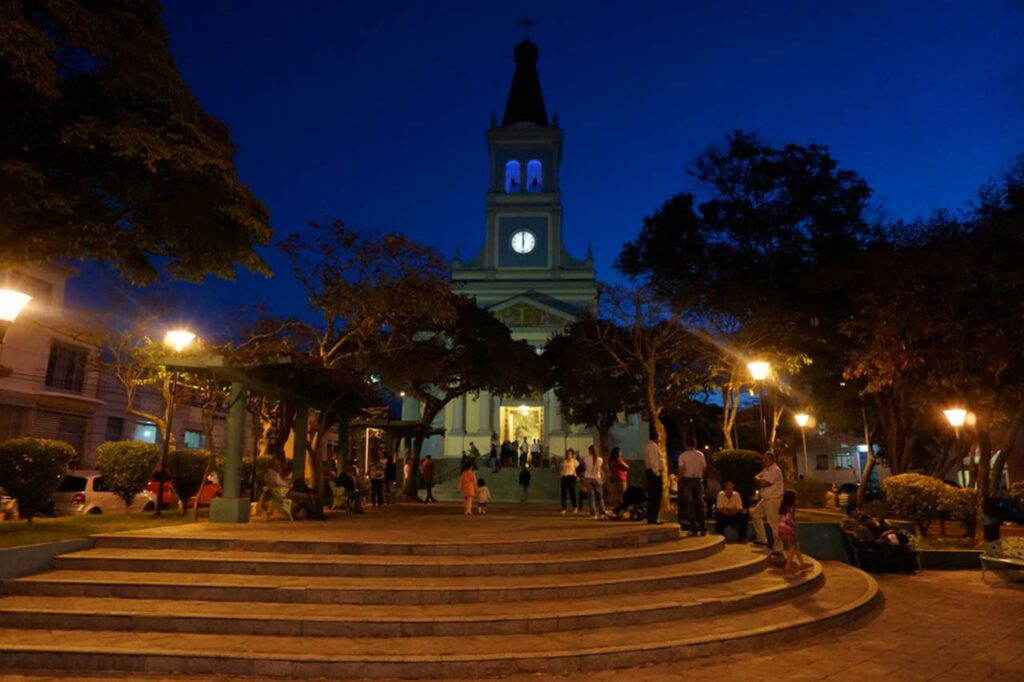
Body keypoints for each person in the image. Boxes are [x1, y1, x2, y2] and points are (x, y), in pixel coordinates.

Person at [750, 451, 785, 553]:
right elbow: (756, 478)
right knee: (755, 514)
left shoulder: (775, 470)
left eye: (767, 459)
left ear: (772, 459)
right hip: (765, 499)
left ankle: (778, 548)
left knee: (774, 524)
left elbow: (764, 483)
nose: (765, 461)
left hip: (773, 500)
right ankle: (762, 539)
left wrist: (761, 480)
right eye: (764, 459)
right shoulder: (766, 469)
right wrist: (759, 480)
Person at [677, 437, 707, 536]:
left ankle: (694, 529)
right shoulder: (700, 455)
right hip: (698, 480)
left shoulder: (683, 456)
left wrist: (680, 480)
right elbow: (704, 468)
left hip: (687, 480)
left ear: (686, 444)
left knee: (690, 505)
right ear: (695, 444)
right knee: (700, 504)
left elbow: (681, 470)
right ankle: (703, 529)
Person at [778, 490, 812, 574]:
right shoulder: (790, 507)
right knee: (793, 546)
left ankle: (802, 563)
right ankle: (787, 566)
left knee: (796, 545)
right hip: (787, 528)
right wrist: (794, 524)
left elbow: (781, 517)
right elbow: (788, 518)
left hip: (781, 527)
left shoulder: (782, 506)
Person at [643, 434, 664, 525]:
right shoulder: (653, 446)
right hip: (654, 473)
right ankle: (653, 517)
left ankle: (651, 517)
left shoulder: (649, 446)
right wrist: (657, 473)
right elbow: (653, 461)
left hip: (651, 472)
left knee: (652, 495)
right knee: (656, 496)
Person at [584, 444, 607, 520]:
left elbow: (585, 468)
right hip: (597, 478)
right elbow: (600, 469)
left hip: (588, 478)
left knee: (591, 498)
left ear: (589, 451)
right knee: (600, 497)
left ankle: (593, 514)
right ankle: (602, 513)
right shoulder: (600, 459)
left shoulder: (586, 459)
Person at [559, 449, 580, 514]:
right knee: (563, 493)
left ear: (572, 455)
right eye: (567, 454)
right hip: (564, 477)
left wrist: (577, 477)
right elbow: (561, 469)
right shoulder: (563, 462)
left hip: (572, 477)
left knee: (572, 493)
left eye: (570, 454)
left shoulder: (575, 461)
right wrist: (560, 476)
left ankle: (575, 507)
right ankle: (564, 508)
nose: (568, 455)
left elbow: (578, 470)